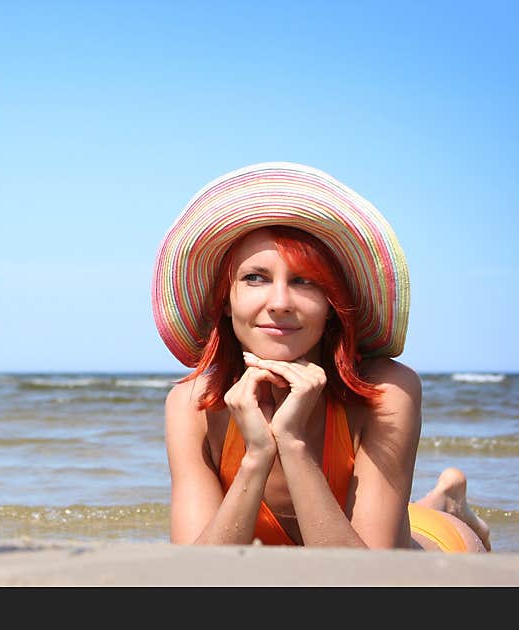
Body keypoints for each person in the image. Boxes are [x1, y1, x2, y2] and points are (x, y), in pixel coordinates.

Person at [151, 162, 490, 552]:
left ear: (331, 304)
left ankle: (447, 509)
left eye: (304, 281)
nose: (279, 303)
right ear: (226, 301)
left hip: (431, 552)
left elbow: (365, 581)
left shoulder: (387, 391)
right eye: (255, 278)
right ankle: (441, 499)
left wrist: (292, 443)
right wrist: (257, 455)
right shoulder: (192, 405)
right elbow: (197, 577)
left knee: (424, 528)